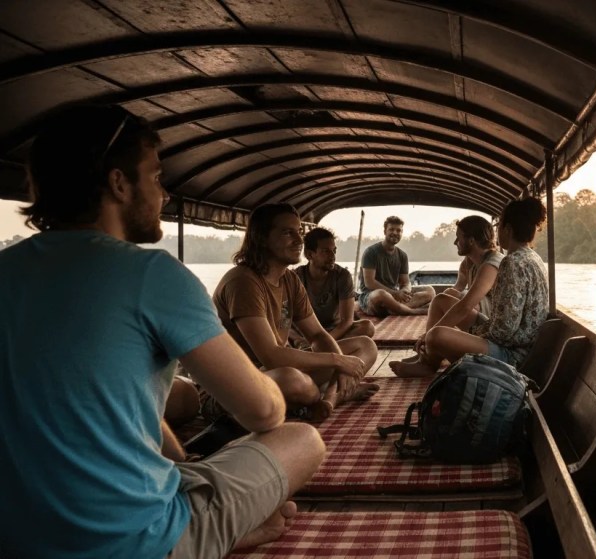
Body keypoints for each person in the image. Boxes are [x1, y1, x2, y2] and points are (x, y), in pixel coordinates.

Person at [0, 105, 325, 559]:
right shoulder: (151, 274)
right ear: (118, 183)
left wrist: (182, 464)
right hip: (129, 543)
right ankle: (214, 528)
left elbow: (118, 408)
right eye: (154, 177)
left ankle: (210, 517)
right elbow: (265, 414)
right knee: (302, 440)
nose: (165, 193)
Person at [213, 204, 379, 420]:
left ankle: (330, 397)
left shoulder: (289, 280)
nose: (299, 240)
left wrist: (340, 364)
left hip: (276, 371)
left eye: (299, 231)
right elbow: (271, 356)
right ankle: (325, 395)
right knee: (293, 381)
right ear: (261, 238)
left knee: (365, 345)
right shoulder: (243, 282)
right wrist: (337, 361)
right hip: (236, 385)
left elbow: (318, 335)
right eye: (287, 232)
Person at [390, 198, 549, 377]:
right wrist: (473, 330)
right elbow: (504, 325)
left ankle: (429, 354)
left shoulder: (512, 263)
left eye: (499, 226)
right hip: (511, 341)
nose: (497, 232)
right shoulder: (533, 257)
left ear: (508, 229)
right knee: (441, 301)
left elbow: (504, 332)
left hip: (512, 355)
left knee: (436, 335)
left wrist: (472, 333)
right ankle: (427, 362)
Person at [392, 215, 503, 369]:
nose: (455, 242)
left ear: (471, 240)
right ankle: (426, 359)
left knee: (436, 334)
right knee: (440, 300)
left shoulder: (492, 264)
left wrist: (428, 336)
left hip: (490, 331)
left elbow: (465, 307)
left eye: (458, 238)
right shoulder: (472, 263)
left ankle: (428, 359)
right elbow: (461, 291)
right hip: (481, 321)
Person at [293, 227, 375, 343]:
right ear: (309, 254)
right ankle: (314, 350)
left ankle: (313, 351)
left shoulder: (342, 276)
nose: (332, 256)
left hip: (334, 331)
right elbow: (284, 320)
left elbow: (346, 321)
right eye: (326, 251)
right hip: (304, 333)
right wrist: (299, 339)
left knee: (367, 327)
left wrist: (325, 342)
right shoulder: (296, 277)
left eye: (334, 251)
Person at [357, 216, 435, 316]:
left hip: (393, 295)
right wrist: (395, 294)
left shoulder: (402, 255)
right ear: (385, 231)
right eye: (391, 229)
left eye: (398, 230)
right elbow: (369, 283)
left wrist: (404, 292)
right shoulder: (371, 252)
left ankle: (394, 308)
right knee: (381, 294)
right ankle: (411, 311)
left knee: (429, 290)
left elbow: (406, 282)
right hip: (372, 297)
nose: (395, 233)